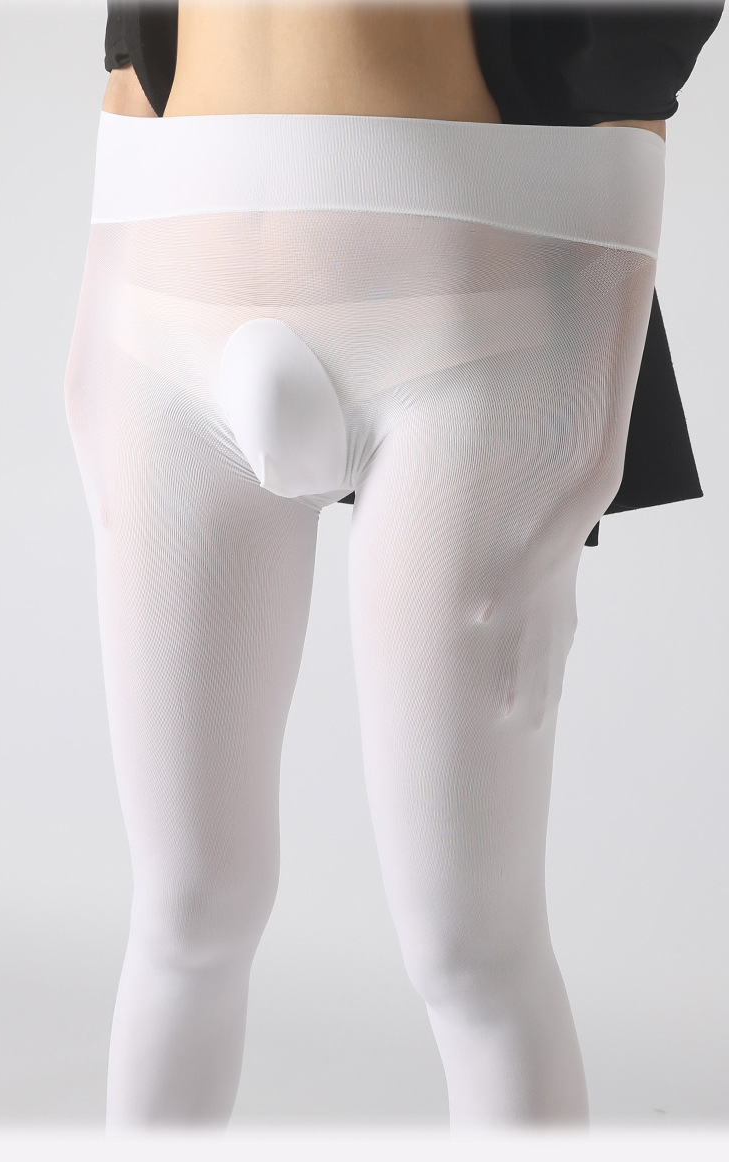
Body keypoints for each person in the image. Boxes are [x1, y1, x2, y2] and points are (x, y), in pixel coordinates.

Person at [64, 0, 722, 1129]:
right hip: (159, 278)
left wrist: (604, 330)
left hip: (470, 293)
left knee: (472, 947)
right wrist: (100, 273)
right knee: (182, 913)